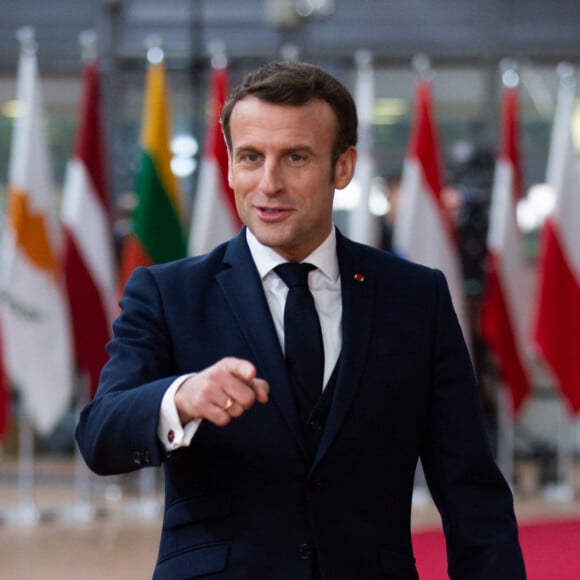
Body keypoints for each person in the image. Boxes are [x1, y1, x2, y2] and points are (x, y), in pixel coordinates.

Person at [76, 61, 526, 580]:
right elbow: (99, 437)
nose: (269, 183)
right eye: (250, 157)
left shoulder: (416, 298)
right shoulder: (166, 293)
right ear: (228, 166)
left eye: (295, 157)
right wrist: (179, 398)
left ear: (342, 167)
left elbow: (472, 492)